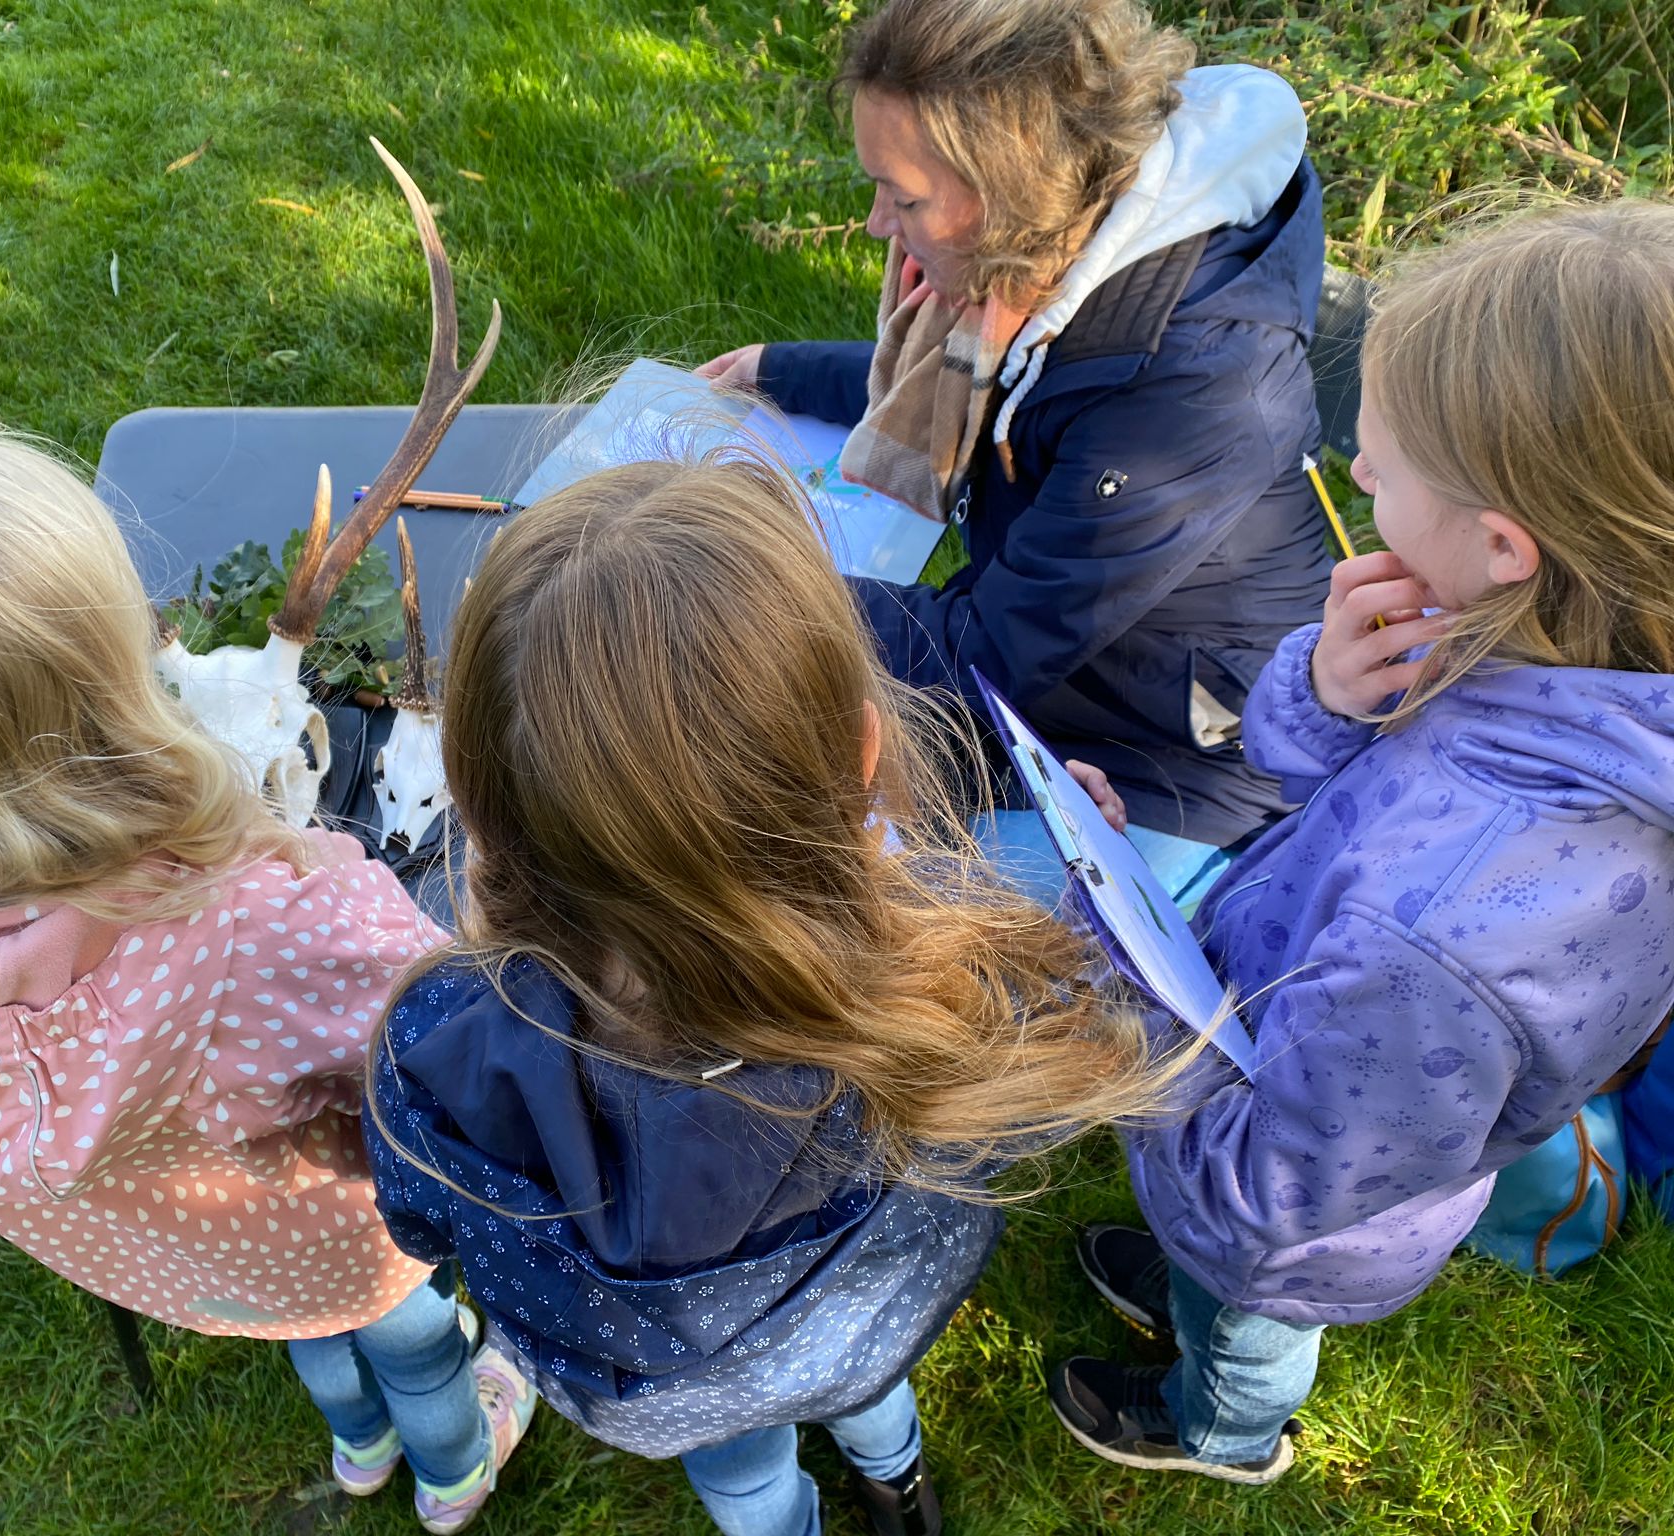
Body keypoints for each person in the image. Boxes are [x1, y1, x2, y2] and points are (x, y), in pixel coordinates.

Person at [362, 454, 1196, 1536]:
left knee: (744, 1471)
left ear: (470, 797)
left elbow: (417, 1223)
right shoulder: (953, 989)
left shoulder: (432, 1047)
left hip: (665, 1391)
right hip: (858, 1331)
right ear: (861, 750)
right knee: (862, 1394)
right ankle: (894, 1478)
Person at [0, 437, 531, 1534]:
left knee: (304, 1339)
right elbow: (470, 1059)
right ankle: (453, 1471)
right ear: (116, 676)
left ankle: (357, 1448)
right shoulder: (259, 922)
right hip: (337, 1243)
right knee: (410, 1340)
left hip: (179, 1265)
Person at [1048, 201, 1674, 1483]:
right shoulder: (1560, 653)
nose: (1355, 481)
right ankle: (1187, 1302)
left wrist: (1118, 960)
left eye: (1374, 469)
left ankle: (1219, 1426)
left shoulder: (1435, 938)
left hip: (1308, 1208)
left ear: (1504, 545)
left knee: (1243, 1305)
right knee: (1210, 1269)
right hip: (1323, 1050)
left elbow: (1263, 1194)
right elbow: (1327, 791)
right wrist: (1325, 696)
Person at [699, 0, 1331, 900]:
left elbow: (988, 647)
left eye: (906, 196)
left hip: (1174, 772)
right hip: (1061, 681)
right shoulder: (1064, 258)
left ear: (1015, 189)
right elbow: (973, 386)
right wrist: (778, 369)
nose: (879, 223)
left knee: (820, 906)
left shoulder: (1194, 386)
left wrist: (735, 583)